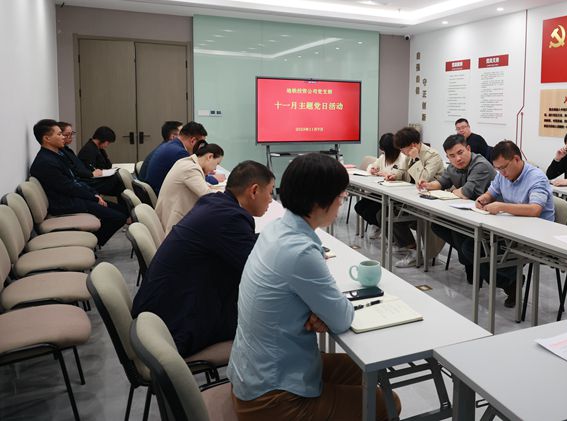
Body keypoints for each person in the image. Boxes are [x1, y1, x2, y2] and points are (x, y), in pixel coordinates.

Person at [229, 154, 401, 420]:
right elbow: (342, 318)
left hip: (255, 371)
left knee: (367, 372)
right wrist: (323, 311)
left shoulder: (276, 229)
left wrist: (318, 310)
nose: (342, 202)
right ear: (320, 202)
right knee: (387, 403)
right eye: (341, 196)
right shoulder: (300, 251)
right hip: (272, 398)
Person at [132, 161, 275, 357]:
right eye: (270, 192)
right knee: (271, 315)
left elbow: (244, 244)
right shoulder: (230, 218)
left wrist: (274, 238)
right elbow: (260, 273)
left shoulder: (215, 203)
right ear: (254, 191)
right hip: (176, 326)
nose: (271, 200)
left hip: (160, 311)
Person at [474, 140, 555, 307]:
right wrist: (484, 198)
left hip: (536, 234)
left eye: (503, 167)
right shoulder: (502, 174)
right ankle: (511, 282)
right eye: (497, 169)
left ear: (516, 159)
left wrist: (501, 206)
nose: (501, 173)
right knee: (471, 246)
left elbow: (535, 210)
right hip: (511, 228)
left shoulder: (536, 177)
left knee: (485, 253)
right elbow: (491, 193)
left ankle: (511, 280)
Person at [29, 119, 127, 246]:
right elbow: (69, 187)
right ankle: (90, 243)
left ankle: (91, 241)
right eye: (59, 134)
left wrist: (94, 194)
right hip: (64, 203)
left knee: (121, 211)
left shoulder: (57, 155)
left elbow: (75, 180)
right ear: (47, 138)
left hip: (73, 197)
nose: (63, 137)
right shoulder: (46, 162)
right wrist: (93, 197)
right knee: (118, 217)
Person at [420, 134, 496, 280]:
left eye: (460, 153)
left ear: (468, 149)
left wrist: (454, 192)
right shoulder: (453, 166)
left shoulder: (480, 165)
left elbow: (465, 193)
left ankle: (475, 268)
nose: (458, 159)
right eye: (452, 156)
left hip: (487, 216)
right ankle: (469, 262)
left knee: (459, 234)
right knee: (438, 225)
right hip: (466, 213)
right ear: (448, 157)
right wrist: (427, 185)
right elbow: (442, 182)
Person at [388, 127, 444, 250]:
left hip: (430, 200)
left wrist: (416, 159)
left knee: (394, 215)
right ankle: (406, 245)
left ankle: (414, 251)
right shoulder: (409, 154)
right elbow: (402, 170)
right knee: (386, 213)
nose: (401, 152)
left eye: (402, 148)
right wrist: (394, 175)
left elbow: (423, 180)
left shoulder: (432, 155)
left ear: (413, 145)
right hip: (413, 196)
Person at [155, 141, 224, 234]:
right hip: (173, 225)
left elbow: (204, 186)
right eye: (217, 163)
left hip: (169, 217)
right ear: (210, 157)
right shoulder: (191, 169)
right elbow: (208, 196)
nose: (215, 168)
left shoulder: (186, 162)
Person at [144, 121, 223, 194]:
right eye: (201, 144)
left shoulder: (172, 145)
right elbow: (194, 177)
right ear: (193, 140)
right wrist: (214, 179)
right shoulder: (180, 153)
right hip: (161, 195)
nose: (202, 148)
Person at [354, 133, 406, 239]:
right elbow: (371, 166)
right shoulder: (383, 157)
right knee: (359, 207)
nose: (383, 152)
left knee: (371, 212)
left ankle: (386, 230)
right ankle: (380, 225)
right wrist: (372, 169)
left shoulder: (403, 159)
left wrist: (386, 174)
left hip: (393, 195)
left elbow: (400, 175)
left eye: (385, 150)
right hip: (379, 191)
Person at [57, 121, 126, 198]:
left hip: (89, 178)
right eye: (67, 135)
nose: (71, 137)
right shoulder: (88, 150)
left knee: (120, 182)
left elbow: (107, 164)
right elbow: (79, 170)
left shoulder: (68, 150)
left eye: (72, 134)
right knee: (119, 181)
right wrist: (92, 173)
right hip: (87, 180)